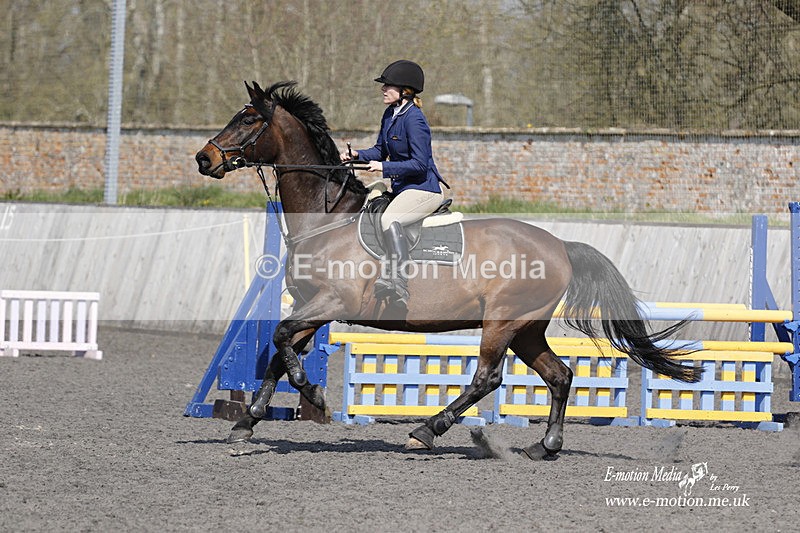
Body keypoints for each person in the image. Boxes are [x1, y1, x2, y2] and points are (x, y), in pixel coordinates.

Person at [341, 60, 447, 308]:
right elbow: (380, 149)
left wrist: (384, 167)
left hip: (424, 190)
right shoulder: (390, 114)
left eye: (389, 85)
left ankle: (398, 279)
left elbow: (420, 164)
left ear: (405, 91)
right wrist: (357, 155)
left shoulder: (415, 120)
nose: (383, 89)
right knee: (368, 196)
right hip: (403, 188)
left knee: (390, 219)